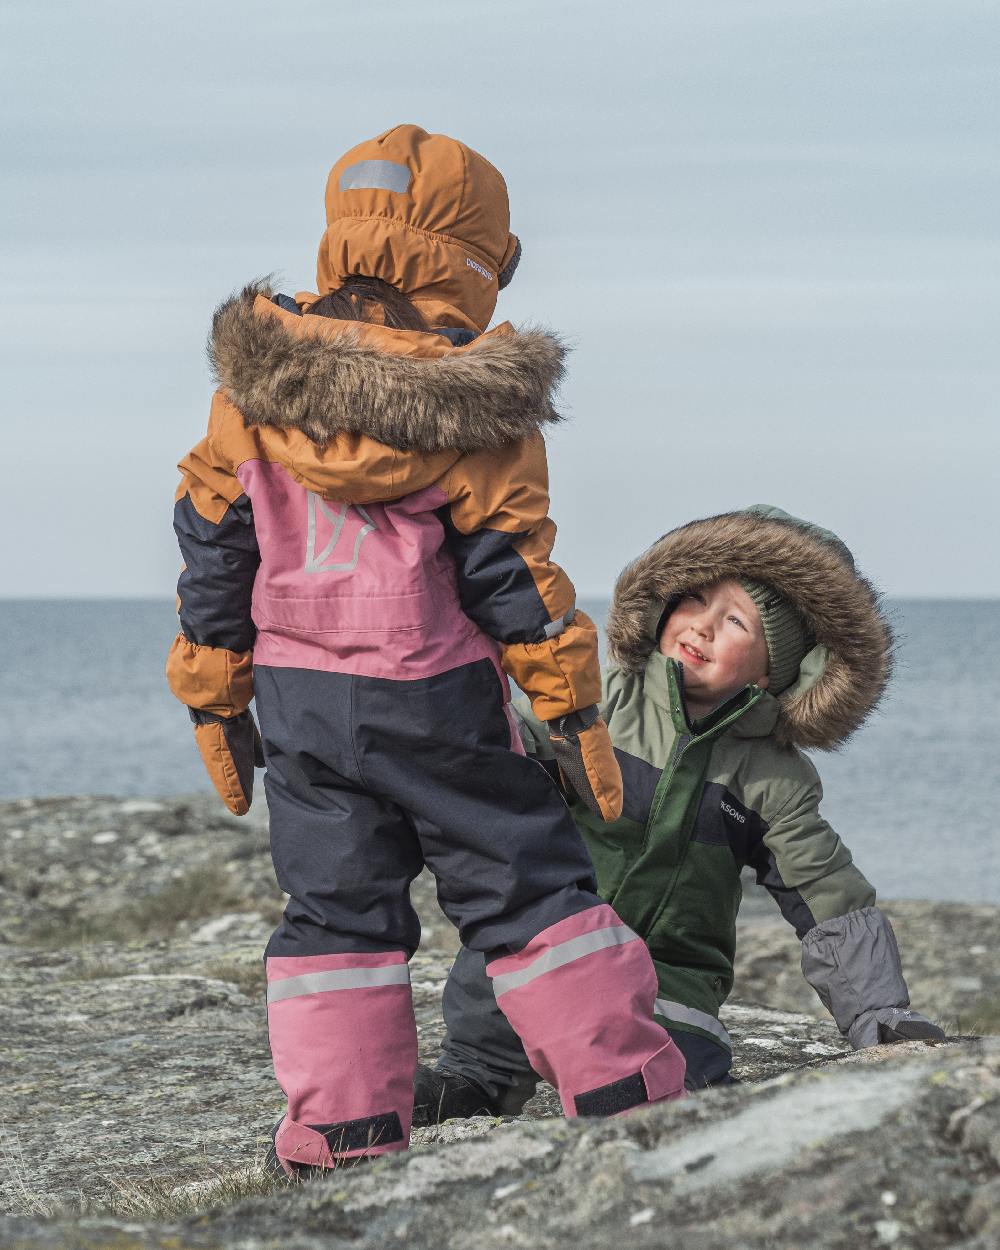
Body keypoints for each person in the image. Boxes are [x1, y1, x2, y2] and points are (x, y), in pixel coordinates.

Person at [165, 125, 687, 1177]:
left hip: (305, 704)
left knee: (333, 908)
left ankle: (343, 1129)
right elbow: (516, 579)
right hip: (435, 695)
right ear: (473, 259)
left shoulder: (248, 397)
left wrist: (216, 693)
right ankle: (621, 1087)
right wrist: (574, 712)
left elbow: (212, 546)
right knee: (527, 885)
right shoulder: (481, 409)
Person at [415, 505, 945, 1121]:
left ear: (780, 667)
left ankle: (665, 1097)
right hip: (549, 949)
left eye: (736, 622)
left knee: (673, 1076)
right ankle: (475, 1080)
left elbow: (828, 895)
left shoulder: (775, 781)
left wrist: (878, 1015)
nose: (702, 627)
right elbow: (508, 745)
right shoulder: (594, 701)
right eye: (694, 600)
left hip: (669, 984)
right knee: (494, 989)